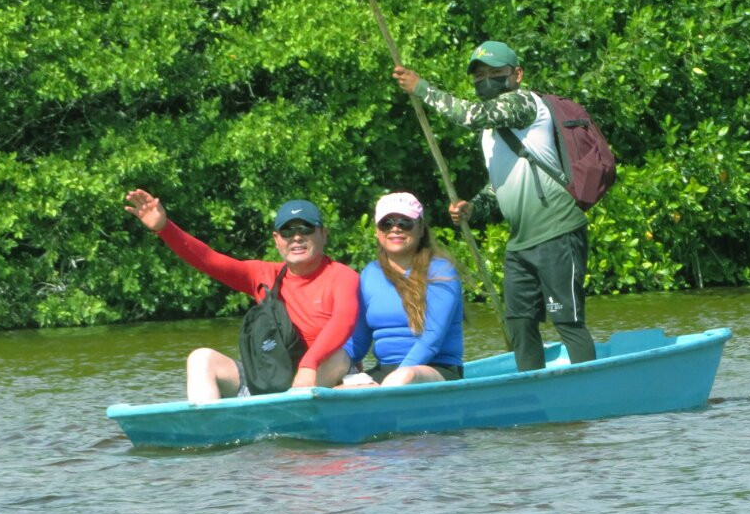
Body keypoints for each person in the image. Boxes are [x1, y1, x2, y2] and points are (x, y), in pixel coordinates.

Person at [392, 41, 596, 372]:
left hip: (558, 231)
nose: (486, 79)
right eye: (480, 74)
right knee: (519, 323)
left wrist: (422, 88)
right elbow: (499, 184)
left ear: (516, 75)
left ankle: (591, 389)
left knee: (566, 320)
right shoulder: (490, 133)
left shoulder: (524, 104)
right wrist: (473, 208)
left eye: (495, 73)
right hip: (521, 241)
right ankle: (534, 396)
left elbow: (473, 114)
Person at [124, 188, 358, 401]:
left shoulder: (343, 276)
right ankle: (208, 431)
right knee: (201, 359)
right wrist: (164, 228)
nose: (296, 237)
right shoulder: (261, 274)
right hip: (271, 379)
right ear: (277, 240)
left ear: (323, 234)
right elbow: (207, 260)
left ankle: (294, 411)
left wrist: (309, 365)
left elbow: (343, 322)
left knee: (338, 356)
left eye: (305, 228)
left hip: (322, 375)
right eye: (287, 231)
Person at [340, 192, 464, 388]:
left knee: (404, 377)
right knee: (337, 385)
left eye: (404, 222)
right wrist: (327, 368)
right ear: (377, 231)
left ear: (421, 228)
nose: (395, 229)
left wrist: (393, 380)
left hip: (434, 368)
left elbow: (431, 340)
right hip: (387, 371)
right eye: (386, 223)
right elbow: (359, 339)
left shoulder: (442, 271)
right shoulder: (369, 273)